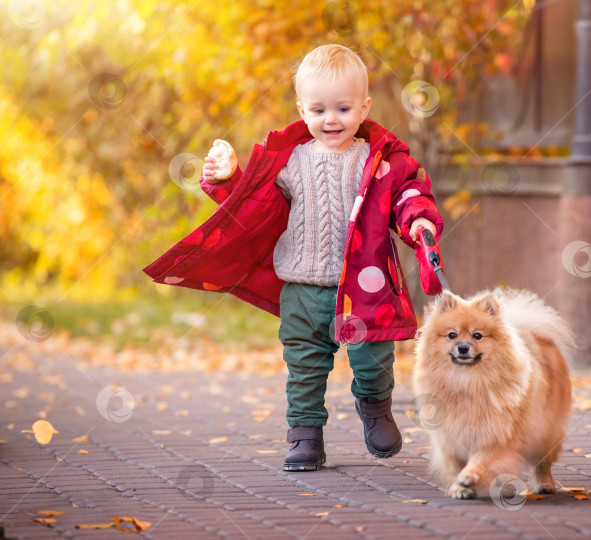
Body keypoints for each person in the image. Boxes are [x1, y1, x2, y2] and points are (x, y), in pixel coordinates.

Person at [144, 44, 443, 471]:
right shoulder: (289, 162)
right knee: (304, 365)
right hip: (302, 287)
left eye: (343, 108)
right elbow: (255, 208)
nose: (331, 119)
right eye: (319, 110)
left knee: (373, 357)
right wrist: (229, 178)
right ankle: (305, 435)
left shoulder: (380, 162)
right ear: (302, 110)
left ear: (364, 108)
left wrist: (419, 225)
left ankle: (375, 407)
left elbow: (410, 195)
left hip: (365, 286)